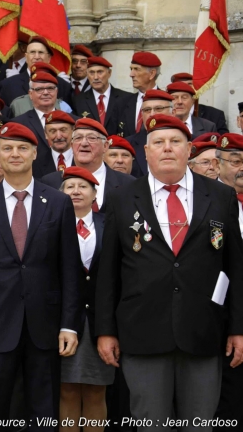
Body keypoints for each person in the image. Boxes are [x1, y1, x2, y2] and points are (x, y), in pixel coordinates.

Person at [95, 115, 243, 432]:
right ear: (145, 152)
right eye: (158, 143)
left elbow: (236, 268)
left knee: (199, 425)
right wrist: (105, 330)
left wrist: (238, 328)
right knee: (151, 425)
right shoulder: (122, 198)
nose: (167, 149)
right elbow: (107, 269)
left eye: (175, 142)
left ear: (189, 149)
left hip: (203, 331)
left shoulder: (220, 196)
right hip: (142, 331)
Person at [0, 121, 81, 432]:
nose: (15, 154)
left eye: (22, 148)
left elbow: (70, 269)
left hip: (46, 327)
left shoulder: (58, 202)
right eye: (7, 148)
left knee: (43, 415)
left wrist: (69, 324)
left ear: (35, 153)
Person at [57, 167, 114, 432]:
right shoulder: (50, 224)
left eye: (83, 186)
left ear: (94, 194)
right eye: (69, 186)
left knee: (96, 391)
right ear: (60, 194)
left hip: (100, 320)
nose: (76, 191)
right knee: (66, 390)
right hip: (63, 321)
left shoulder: (110, 224)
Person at [40, 118, 136, 212]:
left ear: (105, 146)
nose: (84, 143)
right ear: (72, 145)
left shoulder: (128, 183)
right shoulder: (50, 183)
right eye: (78, 138)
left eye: (92, 138)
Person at [214, 133, 243, 430]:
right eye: (235, 161)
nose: (241, 168)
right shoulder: (208, 201)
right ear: (217, 164)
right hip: (220, 316)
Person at [0, 36, 74, 108]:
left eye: (41, 52)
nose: (37, 57)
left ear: (49, 58)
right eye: (32, 52)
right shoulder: (8, 85)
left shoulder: (63, 85)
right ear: (26, 56)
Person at [74, 56, 133, 135]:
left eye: (100, 72)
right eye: (91, 73)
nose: (95, 77)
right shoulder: (78, 101)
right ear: (87, 75)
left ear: (109, 73)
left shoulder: (126, 98)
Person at [126, 89, 176, 177]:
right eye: (147, 110)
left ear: (173, 113)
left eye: (159, 109)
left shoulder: (189, 141)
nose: (152, 114)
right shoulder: (128, 145)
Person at [115, 51, 161, 138]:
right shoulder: (122, 103)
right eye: (131, 69)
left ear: (152, 74)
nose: (131, 74)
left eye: (136, 69)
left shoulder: (167, 101)